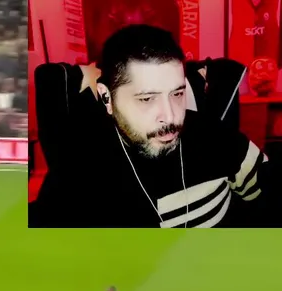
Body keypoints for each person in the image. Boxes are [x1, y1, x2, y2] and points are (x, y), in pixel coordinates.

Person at [32, 24, 272, 227]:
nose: (170, 117)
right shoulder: (77, 170)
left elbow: (267, 196)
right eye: (147, 99)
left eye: (177, 94)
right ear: (107, 98)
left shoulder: (214, 136)